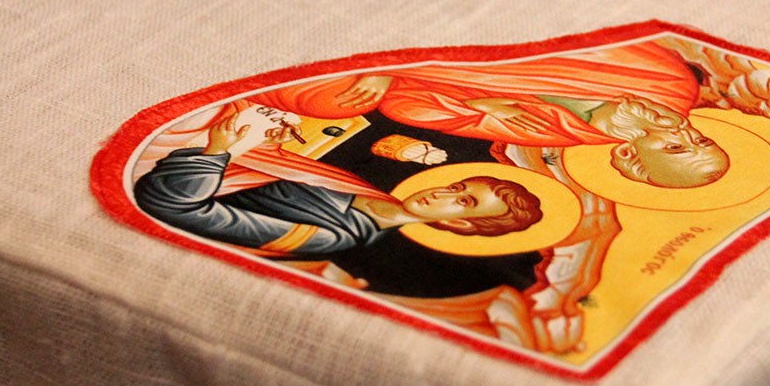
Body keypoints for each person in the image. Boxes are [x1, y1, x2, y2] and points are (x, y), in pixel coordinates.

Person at [250, 39, 770, 188]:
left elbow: (406, 106)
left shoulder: (545, 131)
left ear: (630, 160)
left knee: (326, 100)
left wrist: (478, 103)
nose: (681, 129)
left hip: (411, 60)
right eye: (702, 139)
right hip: (471, 25)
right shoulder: (669, 83)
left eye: (675, 147)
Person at [134, 113, 543, 259]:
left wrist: (215, 151)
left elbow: (175, 208)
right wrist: (272, 148)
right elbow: (280, 170)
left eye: (464, 202)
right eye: (457, 186)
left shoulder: (330, 236)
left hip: (173, 166)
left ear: (461, 225)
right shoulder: (359, 188)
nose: (443, 193)